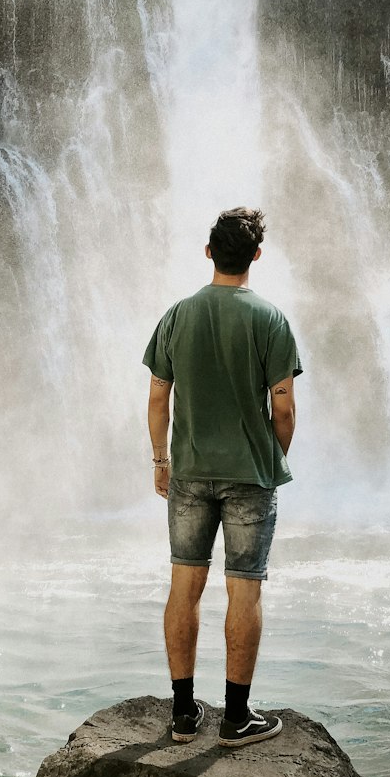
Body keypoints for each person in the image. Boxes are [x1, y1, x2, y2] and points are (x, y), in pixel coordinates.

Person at [143, 207, 302, 748]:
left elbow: (158, 396)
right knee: (245, 590)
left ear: (209, 252)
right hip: (248, 477)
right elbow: (284, 406)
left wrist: (160, 460)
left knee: (184, 586)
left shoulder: (177, 316)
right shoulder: (271, 320)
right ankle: (237, 718)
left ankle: (183, 715)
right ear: (255, 256)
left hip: (188, 474)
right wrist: (270, 457)